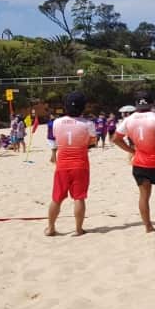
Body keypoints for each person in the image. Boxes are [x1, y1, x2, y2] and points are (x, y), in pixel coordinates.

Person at [112, 90, 155, 233]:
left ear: (136, 104)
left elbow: (115, 139)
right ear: (152, 103)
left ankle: (148, 227)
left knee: (144, 196)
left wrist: (132, 151)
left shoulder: (128, 120)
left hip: (139, 164)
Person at [45, 92, 97, 236]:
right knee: (79, 198)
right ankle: (78, 229)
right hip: (80, 164)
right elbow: (92, 143)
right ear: (83, 107)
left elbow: (52, 141)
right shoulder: (88, 124)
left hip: (62, 165)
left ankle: (50, 228)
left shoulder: (56, 122)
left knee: (56, 198)